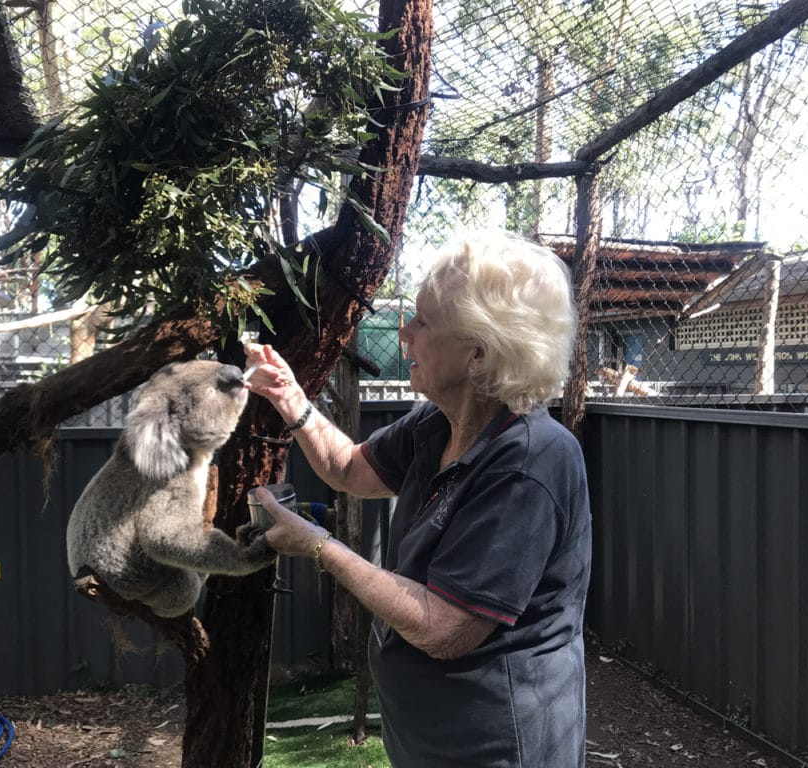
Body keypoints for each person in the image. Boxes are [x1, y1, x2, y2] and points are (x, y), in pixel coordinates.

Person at [245, 228, 592, 768]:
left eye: (423, 321)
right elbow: (347, 468)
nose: (404, 333)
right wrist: (291, 397)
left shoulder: (530, 460)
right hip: (430, 738)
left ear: (478, 353)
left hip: (495, 744)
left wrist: (318, 546)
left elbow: (445, 628)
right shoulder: (439, 423)